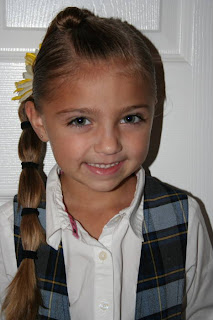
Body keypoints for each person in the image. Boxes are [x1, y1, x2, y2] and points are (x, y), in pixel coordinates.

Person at [0, 6, 213, 320]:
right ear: (40, 122)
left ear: (153, 112)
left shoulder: (185, 217)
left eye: (130, 118)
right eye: (81, 120)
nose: (110, 144)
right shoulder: (10, 228)